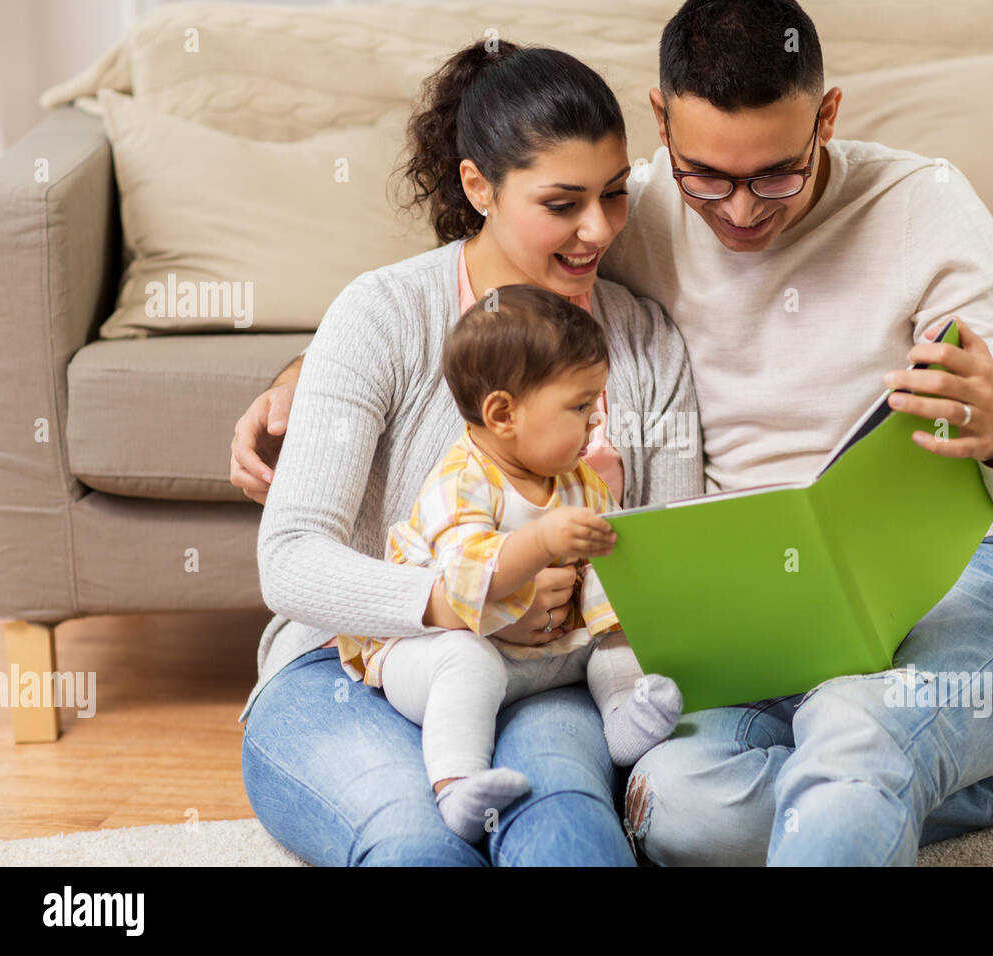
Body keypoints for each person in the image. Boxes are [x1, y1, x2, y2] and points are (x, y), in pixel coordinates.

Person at [233, 6, 993, 866]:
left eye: (778, 177)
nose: (742, 211)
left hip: (947, 577)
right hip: (647, 624)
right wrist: (309, 376)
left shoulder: (910, 213)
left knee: (841, 735)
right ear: (662, 125)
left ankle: (915, 761)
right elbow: (475, 283)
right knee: (666, 805)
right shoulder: (634, 214)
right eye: (707, 178)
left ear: (828, 118)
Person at [235, 40, 703, 866]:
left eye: (615, 195)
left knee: (566, 835)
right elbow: (291, 559)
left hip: (550, 675)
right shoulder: (382, 316)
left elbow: (671, 564)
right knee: (419, 845)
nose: (598, 229)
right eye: (563, 203)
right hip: (349, 666)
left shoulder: (645, 344)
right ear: (478, 186)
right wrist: (462, 601)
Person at [334, 285, 682, 843]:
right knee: (467, 663)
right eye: (578, 406)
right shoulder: (462, 478)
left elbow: (616, 566)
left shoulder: (577, 480)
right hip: (434, 652)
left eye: (595, 404)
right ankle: (457, 785)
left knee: (617, 634)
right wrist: (542, 540)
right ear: (502, 413)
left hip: (540, 655)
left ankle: (624, 716)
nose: (596, 421)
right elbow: (467, 576)